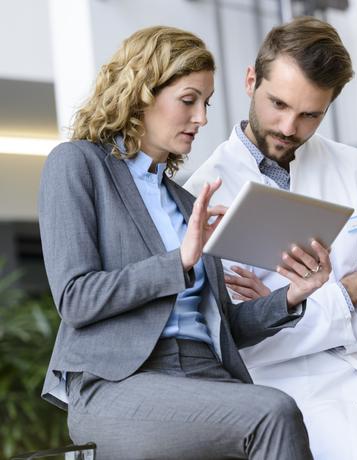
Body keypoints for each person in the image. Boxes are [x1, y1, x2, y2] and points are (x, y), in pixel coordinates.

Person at [37, 25, 334, 460]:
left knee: (282, 415)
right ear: (141, 93)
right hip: (119, 384)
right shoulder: (79, 164)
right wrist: (178, 261)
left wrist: (292, 295)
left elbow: (223, 326)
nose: (202, 119)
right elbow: (75, 298)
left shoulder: (185, 199)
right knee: (272, 412)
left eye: (206, 103)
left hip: (205, 374)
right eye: (188, 100)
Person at [185, 16, 357, 460]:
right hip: (308, 413)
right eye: (277, 103)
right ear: (250, 80)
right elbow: (237, 343)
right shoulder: (202, 195)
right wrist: (351, 290)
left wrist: (286, 310)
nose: (288, 127)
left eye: (310, 114)